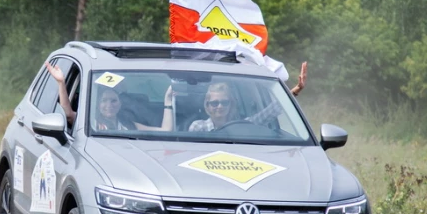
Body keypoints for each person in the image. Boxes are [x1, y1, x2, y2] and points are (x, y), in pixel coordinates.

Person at [44, 62, 174, 131]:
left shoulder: (127, 124)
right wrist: (61, 83)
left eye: (113, 101)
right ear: (97, 104)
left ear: (120, 104)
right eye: (104, 101)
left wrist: (168, 100)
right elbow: (67, 114)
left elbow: (166, 130)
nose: (109, 105)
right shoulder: (89, 123)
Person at [189, 62, 308, 132]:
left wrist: (296, 90)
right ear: (207, 106)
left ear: (231, 104)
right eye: (215, 103)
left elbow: (270, 112)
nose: (220, 106)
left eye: (224, 102)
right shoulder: (198, 127)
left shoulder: (242, 126)